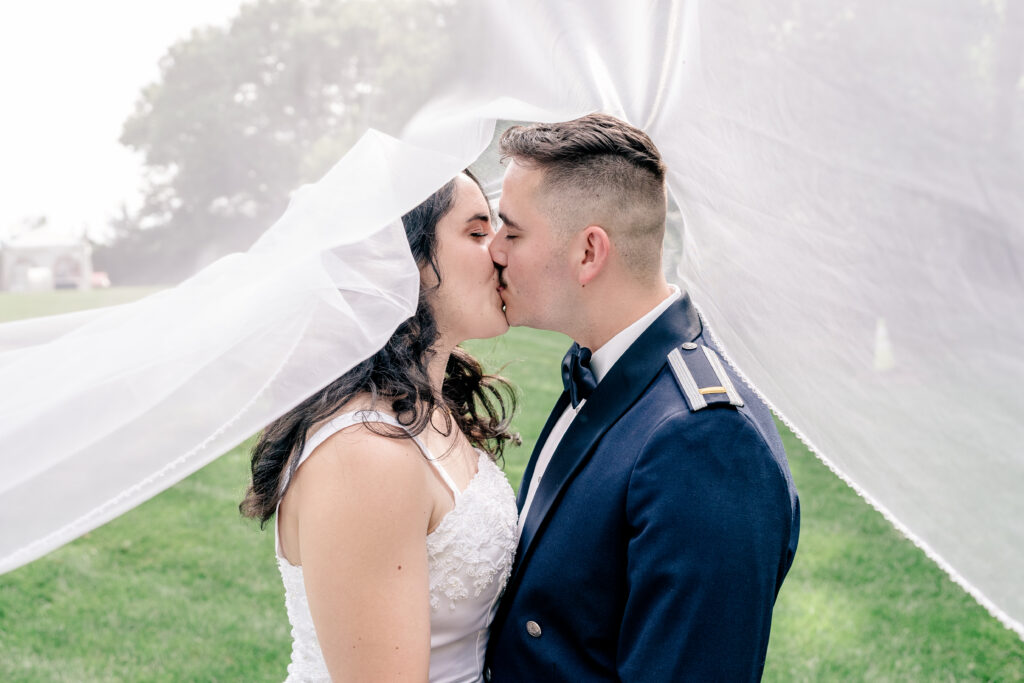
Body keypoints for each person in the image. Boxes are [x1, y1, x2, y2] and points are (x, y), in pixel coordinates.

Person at [484, 114, 801, 681]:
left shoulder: (706, 441)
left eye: (512, 232)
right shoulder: (602, 367)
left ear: (588, 253)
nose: (495, 251)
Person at [240, 171, 520, 682]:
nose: (501, 251)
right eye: (477, 234)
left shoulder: (424, 408)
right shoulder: (364, 455)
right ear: (402, 263)